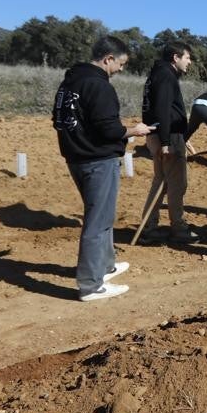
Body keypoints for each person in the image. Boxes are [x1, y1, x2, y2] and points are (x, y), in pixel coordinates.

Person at [52, 36, 152, 301]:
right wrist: (134, 131)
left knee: (103, 215)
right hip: (97, 160)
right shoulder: (99, 86)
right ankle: (90, 285)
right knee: (97, 221)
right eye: (121, 63)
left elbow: (59, 120)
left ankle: (105, 266)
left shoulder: (69, 83)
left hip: (76, 157)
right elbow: (109, 129)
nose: (121, 69)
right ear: (108, 59)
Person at [139, 42, 199, 244]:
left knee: (161, 181)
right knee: (177, 183)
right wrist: (166, 141)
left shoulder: (157, 74)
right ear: (175, 57)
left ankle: (148, 227)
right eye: (187, 57)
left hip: (157, 133)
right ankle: (179, 228)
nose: (189, 62)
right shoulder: (166, 76)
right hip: (168, 136)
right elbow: (163, 109)